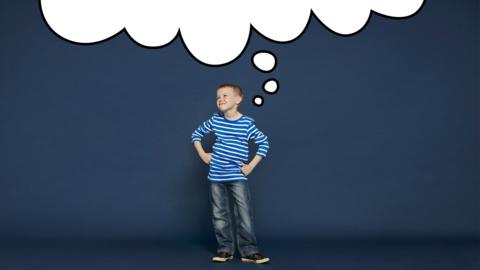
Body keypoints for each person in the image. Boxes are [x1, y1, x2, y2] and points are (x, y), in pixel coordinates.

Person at [191, 83, 270, 264]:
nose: (220, 99)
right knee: (219, 214)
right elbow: (196, 135)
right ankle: (225, 249)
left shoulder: (246, 124)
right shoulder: (215, 120)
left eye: (225, 96)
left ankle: (249, 251)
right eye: (218, 97)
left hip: (237, 176)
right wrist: (203, 154)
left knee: (243, 213)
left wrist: (250, 166)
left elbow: (264, 143)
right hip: (216, 176)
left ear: (238, 100)